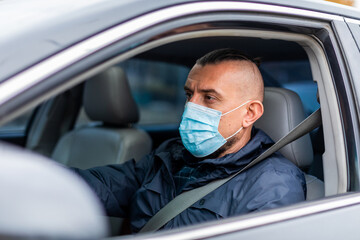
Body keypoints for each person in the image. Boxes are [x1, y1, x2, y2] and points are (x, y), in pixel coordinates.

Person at [73, 48, 306, 233]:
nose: (190, 107)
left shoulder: (273, 185)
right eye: (188, 95)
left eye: (209, 97)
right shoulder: (170, 156)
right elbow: (104, 186)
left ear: (250, 114)